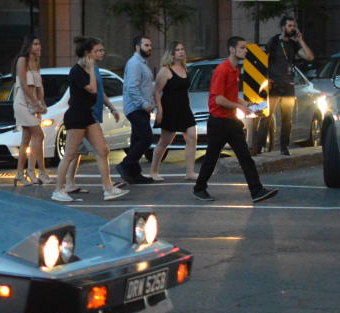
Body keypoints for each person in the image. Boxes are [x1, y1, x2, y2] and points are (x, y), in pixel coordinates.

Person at [193, 36, 278, 203]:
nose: (245, 50)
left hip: (230, 121)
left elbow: (229, 96)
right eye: (242, 48)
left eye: (245, 48)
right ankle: (199, 188)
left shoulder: (235, 69)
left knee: (245, 156)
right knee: (212, 156)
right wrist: (239, 107)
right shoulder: (222, 69)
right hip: (218, 122)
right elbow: (218, 99)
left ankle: (257, 191)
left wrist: (245, 103)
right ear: (232, 49)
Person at [53, 38, 127, 202]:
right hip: (76, 116)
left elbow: (99, 91)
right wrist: (91, 67)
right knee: (70, 154)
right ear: (88, 53)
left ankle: (108, 189)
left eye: (102, 50)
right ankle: (58, 190)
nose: (102, 53)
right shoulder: (77, 70)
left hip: (88, 115)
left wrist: (111, 108)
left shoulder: (91, 69)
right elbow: (93, 89)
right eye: (98, 51)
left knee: (103, 150)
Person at [256, 16, 314, 155]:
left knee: (287, 118)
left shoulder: (293, 45)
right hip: (274, 85)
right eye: (289, 26)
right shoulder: (274, 42)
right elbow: (264, 60)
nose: (292, 28)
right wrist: (266, 78)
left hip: (288, 85)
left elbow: (309, 57)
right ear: (283, 27)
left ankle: (284, 147)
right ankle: (260, 146)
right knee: (266, 116)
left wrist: (300, 40)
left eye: (294, 26)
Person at [150, 40, 198, 181]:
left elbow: (185, 91)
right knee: (165, 141)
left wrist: (189, 107)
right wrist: (159, 110)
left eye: (182, 49)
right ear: (171, 53)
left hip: (184, 109)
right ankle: (153, 171)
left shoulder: (185, 69)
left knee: (191, 137)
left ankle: (190, 172)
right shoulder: (165, 70)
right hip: (170, 109)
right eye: (177, 50)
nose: (181, 52)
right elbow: (157, 92)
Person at [11, 35, 48, 185]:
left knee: (26, 139)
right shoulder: (23, 61)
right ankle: (33, 170)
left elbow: (39, 87)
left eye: (39, 44)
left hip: (33, 103)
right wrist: (35, 103)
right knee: (39, 135)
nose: (38, 47)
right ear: (28, 46)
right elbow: (24, 85)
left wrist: (41, 103)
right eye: (35, 44)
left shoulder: (36, 62)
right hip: (21, 103)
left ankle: (20, 173)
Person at [119, 36, 156, 184]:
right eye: (146, 45)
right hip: (135, 108)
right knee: (147, 138)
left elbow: (144, 87)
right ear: (137, 47)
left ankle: (134, 174)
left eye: (150, 45)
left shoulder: (142, 64)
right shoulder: (135, 64)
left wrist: (149, 104)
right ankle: (125, 164)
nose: (149, 48)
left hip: (141, 108)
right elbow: (131, 88)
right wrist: (144, 104)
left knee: (136, 141)